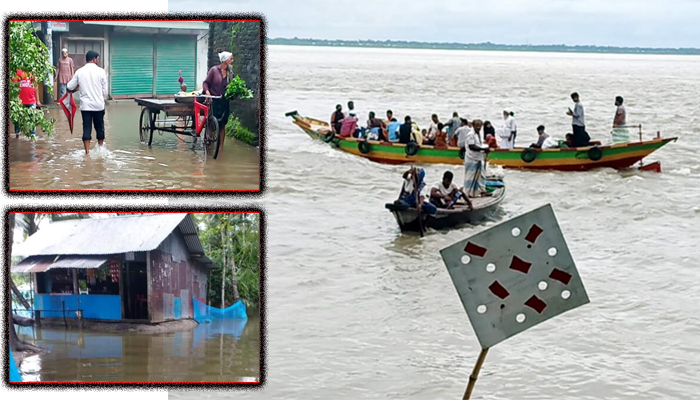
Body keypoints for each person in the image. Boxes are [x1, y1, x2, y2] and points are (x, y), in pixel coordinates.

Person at [66, 50, 107, 154]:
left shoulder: (80, 72)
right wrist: (100, 98)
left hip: (86, 106)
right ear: (94, 59)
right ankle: (101, 149)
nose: (98, 60)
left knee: (86, 128)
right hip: (98, 105)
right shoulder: (101, 71)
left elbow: (69, 86)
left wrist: (78, 87)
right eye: (97, 58)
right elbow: (105, 92)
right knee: (100, 127)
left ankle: (87, 153)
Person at [203, 51, 235, 153]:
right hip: (214, 100)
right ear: (224, 60)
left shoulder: (230, 73)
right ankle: (208, 145)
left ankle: (220, 148)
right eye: (231, 59)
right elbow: (206, 83)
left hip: (224, 102)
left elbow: (233, 86)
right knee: (211, 124)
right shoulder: (213, 70)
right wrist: (207, 92)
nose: (232, 61)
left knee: (222, 125)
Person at [461, 119, 490, 197]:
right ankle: (466, 193)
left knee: (479, 176)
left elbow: (479, 144)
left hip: (478, 158)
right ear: (473, 125)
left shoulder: (478, 134)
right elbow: (472, 146)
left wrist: (484, 148)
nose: (478, 127)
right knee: (470, 177)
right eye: (477, 126)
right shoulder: (471, 134)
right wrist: (483, 149)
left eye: (480, 126)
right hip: (471, 158)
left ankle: (477, 192)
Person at [12, 69, 42, 138]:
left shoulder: (33, 72)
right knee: (18, 121)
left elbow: (36, 86)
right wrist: (16, 100)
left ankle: (33, 137)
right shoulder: (17, 72)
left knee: (32, 120)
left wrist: (37, 100)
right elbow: (14, 86)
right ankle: (17, 135)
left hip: (32, 101)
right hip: (20, 102)